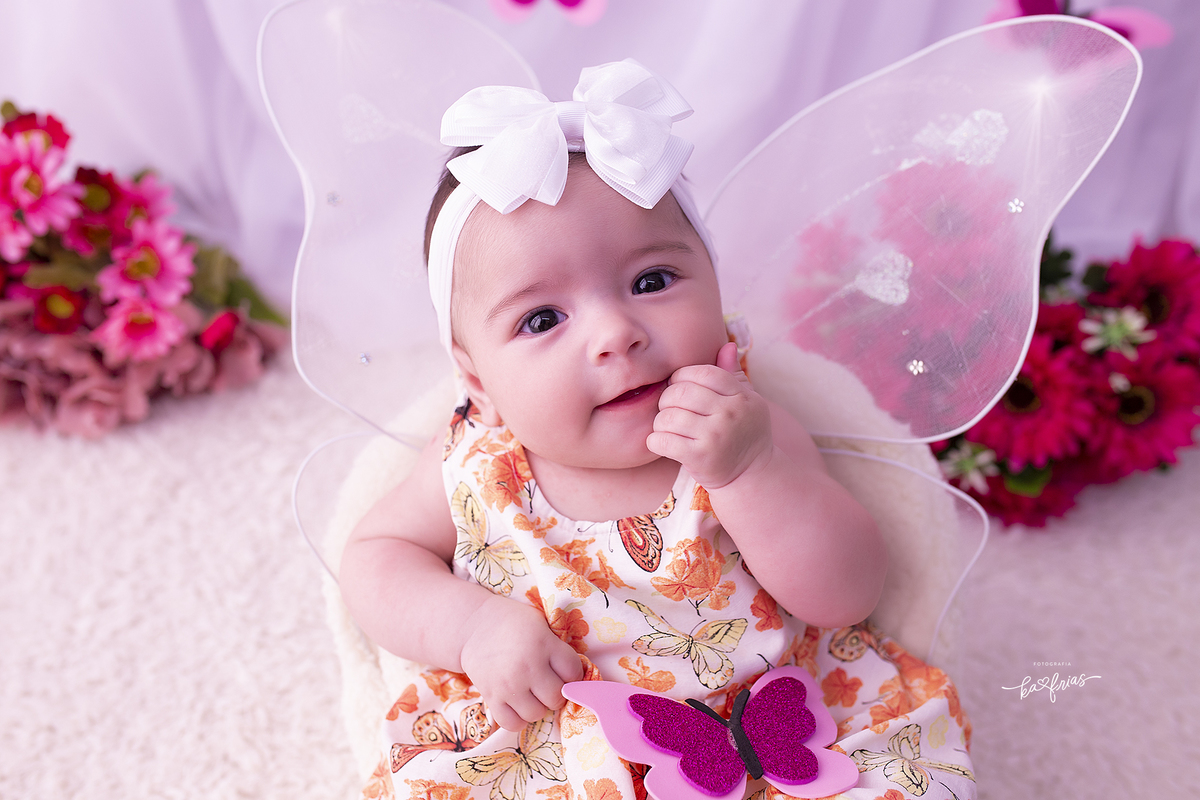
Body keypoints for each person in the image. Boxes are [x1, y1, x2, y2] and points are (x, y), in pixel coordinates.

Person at [338, 60, 974, 800]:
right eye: (542, 319)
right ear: (477, 381)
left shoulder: (743, 428)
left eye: (651, 281)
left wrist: (750, 473)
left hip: (771, 736)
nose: (615, 332)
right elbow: (376, 558)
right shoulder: (478, 462)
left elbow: (848, 594)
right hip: (559, 750)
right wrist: (471, 627)